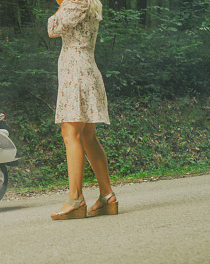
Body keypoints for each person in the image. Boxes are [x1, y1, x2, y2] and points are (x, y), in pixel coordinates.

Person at [47, 0, 118, 220]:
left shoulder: (77, 1)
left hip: (75, 70)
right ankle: (107, 196)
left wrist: (60, 4)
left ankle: (75, 199)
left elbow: (52, 28)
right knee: (87, 135)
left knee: (71, 135)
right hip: (83, 67)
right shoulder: (89, 1)